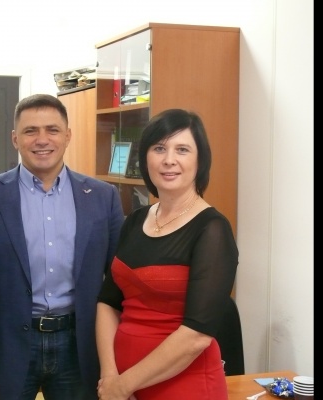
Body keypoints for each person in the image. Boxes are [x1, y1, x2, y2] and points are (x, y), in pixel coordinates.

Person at [0, 93, 125, 400]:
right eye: (30, 131)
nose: (42, 140)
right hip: (6, 349)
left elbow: (119, 285)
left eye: (52, 130)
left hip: (81, 347)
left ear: (68, 136)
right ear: (15, 138)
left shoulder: (103, 197)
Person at [95, 108, 239, 400]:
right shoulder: (136, 220)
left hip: (185, 386)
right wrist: (110, 377)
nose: (169, 159)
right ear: (145, 157)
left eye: (182, 149)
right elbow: (108, 302)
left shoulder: (212, 229)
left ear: (200, 160)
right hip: (122, 383)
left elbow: (196, 336)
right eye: (159, 148)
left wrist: (122, 386)